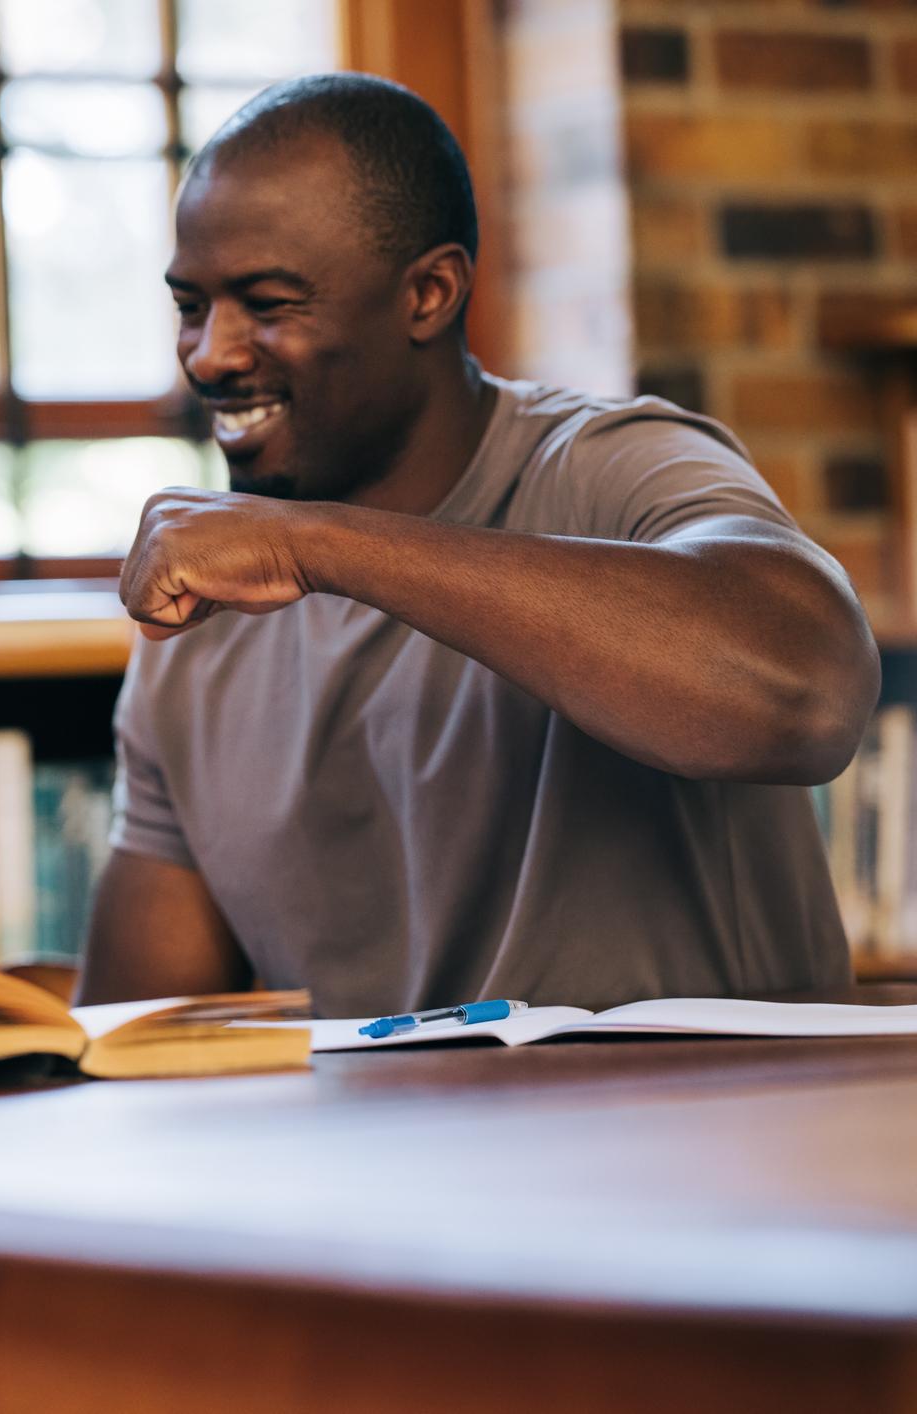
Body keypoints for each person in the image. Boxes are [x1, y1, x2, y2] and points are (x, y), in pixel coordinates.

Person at [81, 74, 878, 1018]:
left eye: (267, 302)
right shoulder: (201, 624)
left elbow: (805, 696)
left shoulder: (612, 466)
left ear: (429, 293)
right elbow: (136, 1038)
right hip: (388, 1161)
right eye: (190, 305)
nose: (209, 353)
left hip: (693, 1151)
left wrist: (318, 548)